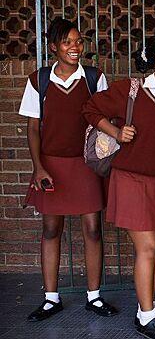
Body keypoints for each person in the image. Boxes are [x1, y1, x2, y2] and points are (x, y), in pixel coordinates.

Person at [83, 34, 155, 339]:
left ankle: (148, 311)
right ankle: (146, 318)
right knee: (147, 248)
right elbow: (90, 109)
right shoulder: (129, 90)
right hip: (130, 179)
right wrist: (116, 132)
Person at [20, 18, 118, 322]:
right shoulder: (39, 81)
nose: (75, 47)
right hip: (51, 165)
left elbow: (105, 121)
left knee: (93, 229)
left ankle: (94, 296)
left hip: (85, 163)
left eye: (78, 41)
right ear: (54, 47)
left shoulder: (94, 78)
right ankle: (51, 298)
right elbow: (33, 128)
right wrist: (38, 168)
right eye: (67, 42)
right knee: (51, 230)